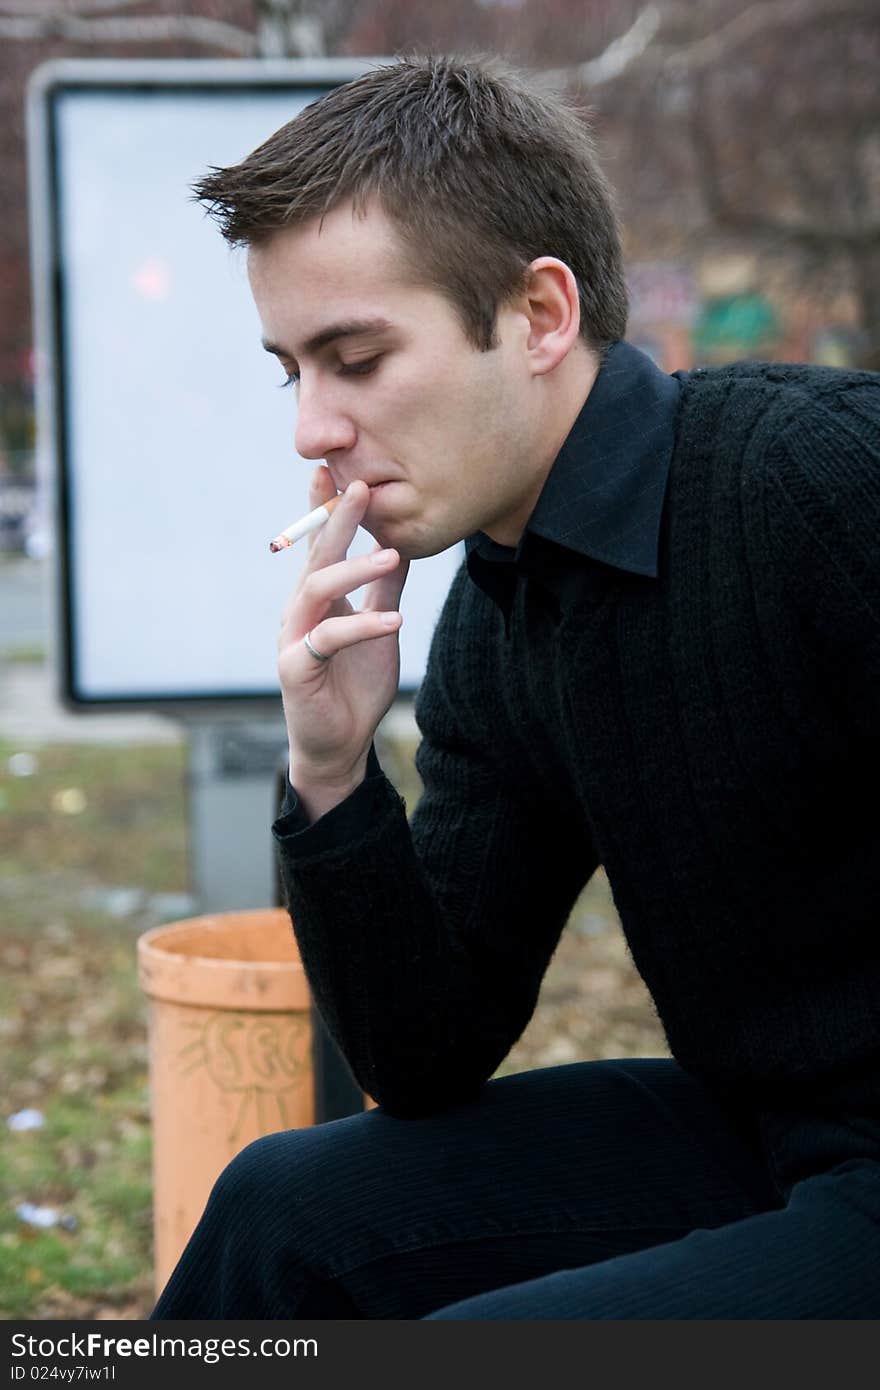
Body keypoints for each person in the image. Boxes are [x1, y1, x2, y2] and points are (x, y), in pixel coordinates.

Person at [152, 54, 880, 1320]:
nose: (310, 429)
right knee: (285, 1210)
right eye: (292, 369)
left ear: (540, 316)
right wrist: (331, 768)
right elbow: (424, 1054)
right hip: (765, 1134)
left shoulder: (816, 479)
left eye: (357, 356)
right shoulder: (505, 605)